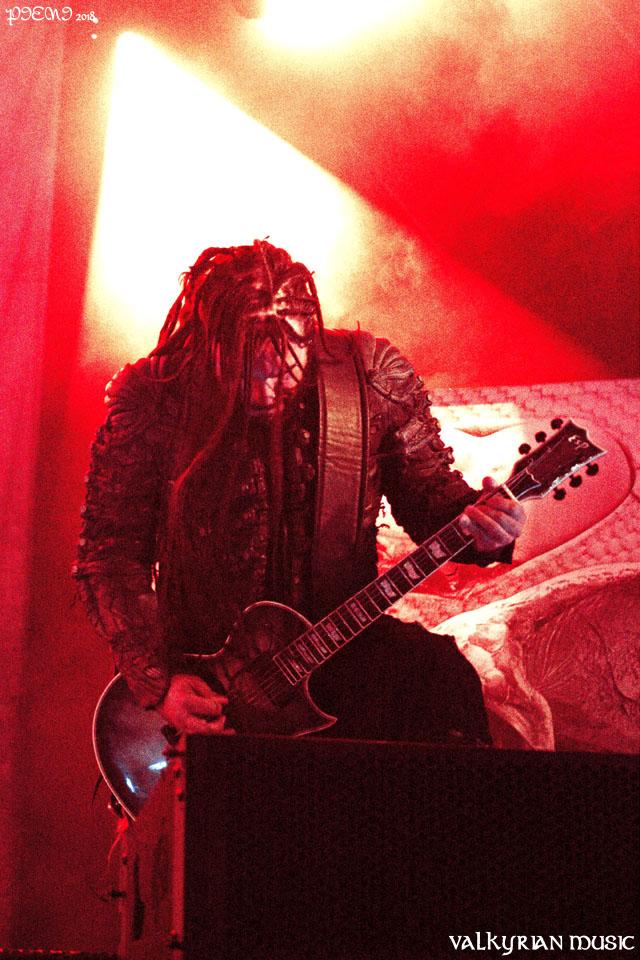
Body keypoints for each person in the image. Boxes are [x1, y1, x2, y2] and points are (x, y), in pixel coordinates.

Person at [74, 241, 525, 745]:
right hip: (210, 674)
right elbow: (109, 554)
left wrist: (489, 527)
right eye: (245, 369)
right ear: (208, 345)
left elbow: (432, 503)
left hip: (344, 650)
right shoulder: (156, 396)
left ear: (309, 334)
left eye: (280, 370)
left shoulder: (371, 378)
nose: (266, 391)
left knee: (442, 680)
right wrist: (160, 682)